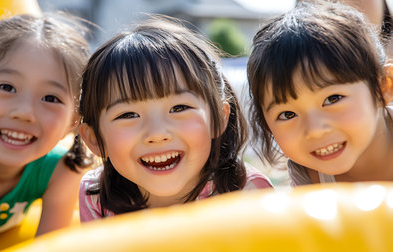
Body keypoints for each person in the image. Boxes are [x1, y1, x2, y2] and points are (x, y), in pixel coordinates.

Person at [78, 16, 273, 220]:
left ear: (218, 118)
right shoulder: (97, 196)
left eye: (179, 108)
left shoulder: (246, 194)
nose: (157, 133)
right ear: (93, 139)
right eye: (128, 115)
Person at [0, 13, 92, 247]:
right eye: (6, 87)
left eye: (50, 98)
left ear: (74, 121)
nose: (24, 112)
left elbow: (51, 246)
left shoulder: (62, 171)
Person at [246, 1, 393, 186]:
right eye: (288, 114)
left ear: (383, 87)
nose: (315, 130)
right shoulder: (308, 175)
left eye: (332, 99)